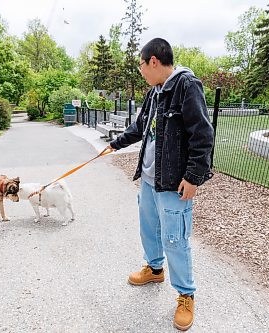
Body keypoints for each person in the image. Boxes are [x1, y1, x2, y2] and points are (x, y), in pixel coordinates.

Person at [107, 38, 214, 331]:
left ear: (153, 61)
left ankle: (186, 295)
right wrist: (115, 145)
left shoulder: (187, 86)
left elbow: (203, 136)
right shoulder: (154, 92)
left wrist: (193, 178)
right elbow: (141, 127)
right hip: (150, 179)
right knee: (149, 230)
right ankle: (155, 269)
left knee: (175, 240)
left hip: (174, 184)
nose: (140, 71)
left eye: (141, 65)